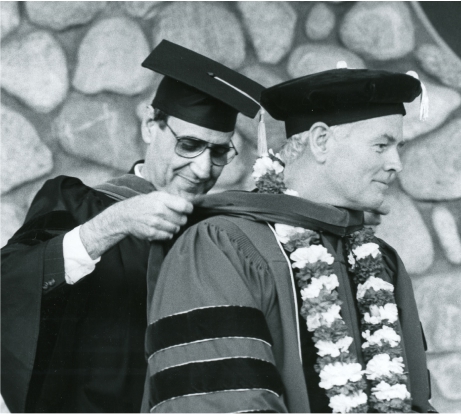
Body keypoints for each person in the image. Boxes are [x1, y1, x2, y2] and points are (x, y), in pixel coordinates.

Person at [143, 67, 436, 413]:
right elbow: (223, 403)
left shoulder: (379, 261)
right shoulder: (221, 247)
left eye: (397, 147)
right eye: (381, 145)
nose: (396, 163)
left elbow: (411, 399)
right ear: (321, 141)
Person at [1, 40, 265, 413]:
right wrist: (113, 224)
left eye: (219, 151)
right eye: (189, 145)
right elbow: (9, 283)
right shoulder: (79, 205)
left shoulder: (219, 234)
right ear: (149, 127)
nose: (204, 169)